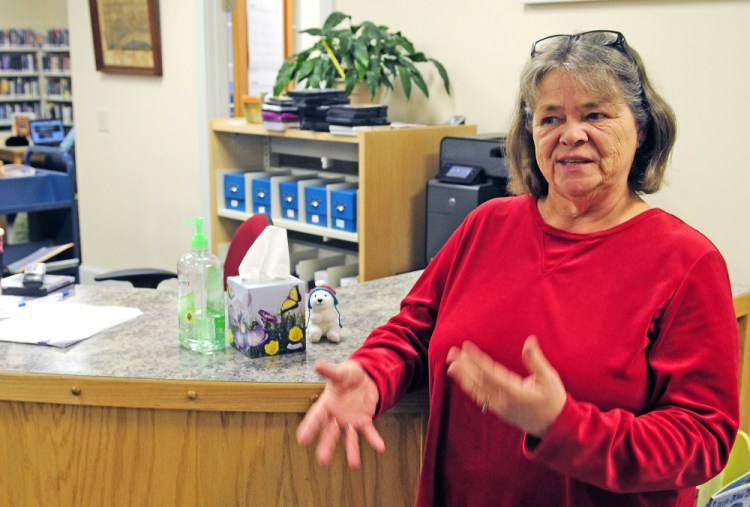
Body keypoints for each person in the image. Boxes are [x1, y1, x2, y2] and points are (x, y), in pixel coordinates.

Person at [296, 30, 739, 506]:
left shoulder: (686, 262)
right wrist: (372, 373)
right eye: (551, 117)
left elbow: (702, 440)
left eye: (595, 114)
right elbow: (414, 328)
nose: (571, 133)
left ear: (642, 128)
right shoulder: (487, 225)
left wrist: (564, 426)